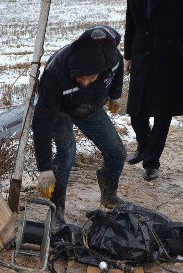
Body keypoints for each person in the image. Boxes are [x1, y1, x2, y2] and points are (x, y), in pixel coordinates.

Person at [32, 26, 126, 225]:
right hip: (61, 110)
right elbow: (41, 124)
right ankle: (56, 208)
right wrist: (45, 169)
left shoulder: (111, 58)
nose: (84, 82)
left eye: (90, 78)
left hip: (91, 108)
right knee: (67, 153)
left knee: (117, 152)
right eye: (80, 78)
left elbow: (117, 73)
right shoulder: (55, 74)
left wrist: (115, 96)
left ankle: (109, 196)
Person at [124, 0, 183, 181]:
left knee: (162, 112)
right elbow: (131, 23)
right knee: (136, 111)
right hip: (141, 57)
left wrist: (176, 45)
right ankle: (145, 145)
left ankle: (152, 162)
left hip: (168, 59)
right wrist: (128, 54)